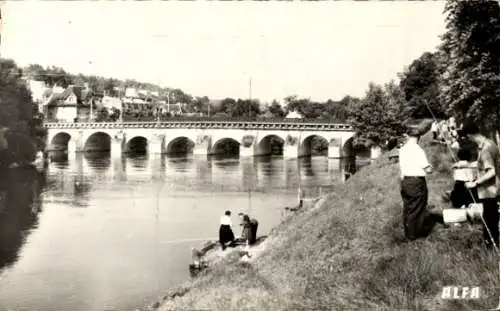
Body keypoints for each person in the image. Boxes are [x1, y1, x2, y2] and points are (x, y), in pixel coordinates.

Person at [399, 122, 444, 240]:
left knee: (408, 207)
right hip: (416, 182)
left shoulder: (402, 149)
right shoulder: (418, 150)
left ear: (408, 136)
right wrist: (431, 166)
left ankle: (408, 233)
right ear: (419, 138)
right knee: (417, 208)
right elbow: (428, 170)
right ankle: (414, 235)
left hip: (405, 181)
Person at [461, 121, 500, 248]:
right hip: (494, 189)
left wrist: (474, 183)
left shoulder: (485, 150)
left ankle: (492, 247)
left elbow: (491, 172)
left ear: (469, 135)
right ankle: (493, 244)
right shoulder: (490, 143)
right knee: (492, 218)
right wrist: (467, 164)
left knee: (489, 220)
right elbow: (483, 164)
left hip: (490, 190)